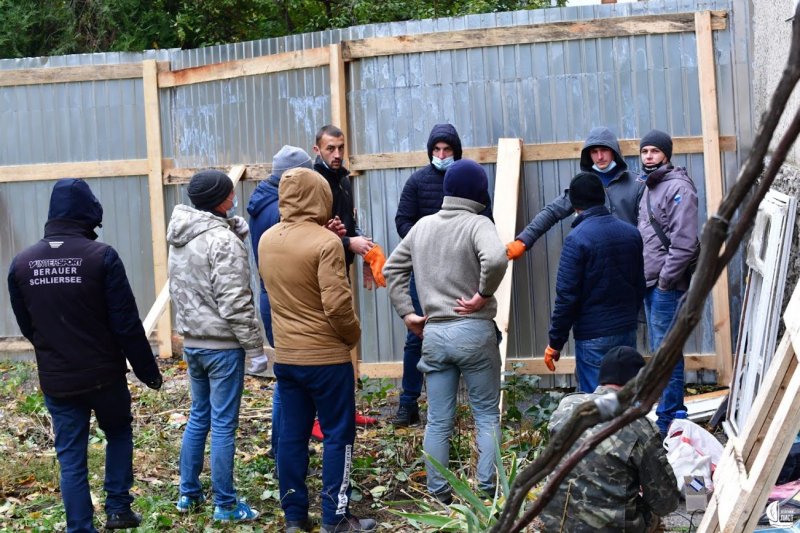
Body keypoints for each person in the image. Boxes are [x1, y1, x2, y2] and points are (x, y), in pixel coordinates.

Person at [7, 178, 163, 532]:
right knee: (119, 433)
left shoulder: (21, 264)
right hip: (104, 376)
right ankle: (119, 508)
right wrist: (148, 372)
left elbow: (27, 325)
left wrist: (55, 349)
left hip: (58, 380)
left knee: (71, 458)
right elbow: (126, 324)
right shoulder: (101, 256)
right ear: (89, 213)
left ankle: (80, 527)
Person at [259, 166, 376, 533]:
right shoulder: (325, 245)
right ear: (320, 197)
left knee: (292, 436)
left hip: (288, 356)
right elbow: (337, 306)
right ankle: (335, 517)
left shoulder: (267, 239)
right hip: (326, 358)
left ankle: (294, 516)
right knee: (338, 435)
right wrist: (352, 335)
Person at [384, 159, 508, 503]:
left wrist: (408, 314)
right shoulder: (478, 223)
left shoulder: (422, 226)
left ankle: (438, 494)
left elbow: (392, 268)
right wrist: (482, 295)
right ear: (478, 192)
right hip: (474, 331)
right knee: (485, 415)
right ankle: (487, 492)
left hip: (435, 335)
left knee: (438, 420)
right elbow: (496, 259)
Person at [167, 170, 262, 522]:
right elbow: (234, 301)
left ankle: (187, 494)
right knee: (223, 425)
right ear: (222, 199)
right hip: (222, 346)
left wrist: (232, 230)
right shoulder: (221, 241)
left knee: (199, 417)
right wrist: (254, 349)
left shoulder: (182, 234)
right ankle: (225, 504)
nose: (234, 195)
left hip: (193, 341)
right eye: (230, 192)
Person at [391, 123, 493, 427]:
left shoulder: (469, 180)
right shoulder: (418, 182)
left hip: (464, 272)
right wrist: (426, 244)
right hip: (425, 274)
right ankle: (408, 403)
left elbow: (486, 221)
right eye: (436, 150)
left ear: (456, 151)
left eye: (447, 150)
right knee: (417, 338)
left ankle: (480, 406)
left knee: (474, 329)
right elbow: (402, 220)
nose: (441, 154)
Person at [540, 346, 680, 532]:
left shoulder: (566, 407)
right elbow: (666, 503)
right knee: (655, 521)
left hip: (557, 523)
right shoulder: (638, 426)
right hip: (609, 527)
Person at [545, 172, 645, 393]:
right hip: (626, 329)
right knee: (626, 398)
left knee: (595, 407)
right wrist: (629, 315)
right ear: (602, 197)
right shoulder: (631, 234)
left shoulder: (577, 239)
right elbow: (639, 284)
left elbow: (566, 297)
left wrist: (555, 342)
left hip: (593, 335)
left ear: (574, 204)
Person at [312, 125, 382, 436]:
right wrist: (346, 244)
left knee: (344, 343)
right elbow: (312, 236)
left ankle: (345, 410)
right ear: (317, 150)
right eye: (330, 148)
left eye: (341, 147)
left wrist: (366, 253)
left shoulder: (343, 178)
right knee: (325, 344)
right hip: (319, 273)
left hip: (341, 269)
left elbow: (349, 224)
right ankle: (318, 418)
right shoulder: (314, 182)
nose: (337, 154)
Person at [637, 129, 699, 435]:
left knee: (667, 355)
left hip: (665, 287)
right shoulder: (650, 186)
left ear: (667, 154)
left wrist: (664, 281)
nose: (649, 156)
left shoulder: (678, 188)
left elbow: (684, 243)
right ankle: (668, 417)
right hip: (650, 283)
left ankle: (670, 420)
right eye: (645, 151)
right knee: (662, 353)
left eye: (654, 151)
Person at [506, 126, 644, 259]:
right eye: (594, 152)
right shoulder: (582, 186)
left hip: (630, 260)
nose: (600, 156)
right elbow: (552, 211)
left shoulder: (636, 184)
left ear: (614, 151)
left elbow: (648, 229)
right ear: (588, 155)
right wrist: (524, 241)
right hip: (596, 262)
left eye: (604, 150)